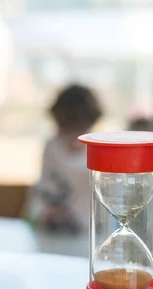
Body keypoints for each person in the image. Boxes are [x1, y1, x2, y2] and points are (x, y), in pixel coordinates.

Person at [27, 84, 102, 234]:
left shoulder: (97, 152)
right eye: (67, 130)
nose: (73, 139)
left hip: (87, 233)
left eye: (79, 129)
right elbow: (43, 192)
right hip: (50, 232)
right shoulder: (52, 147)